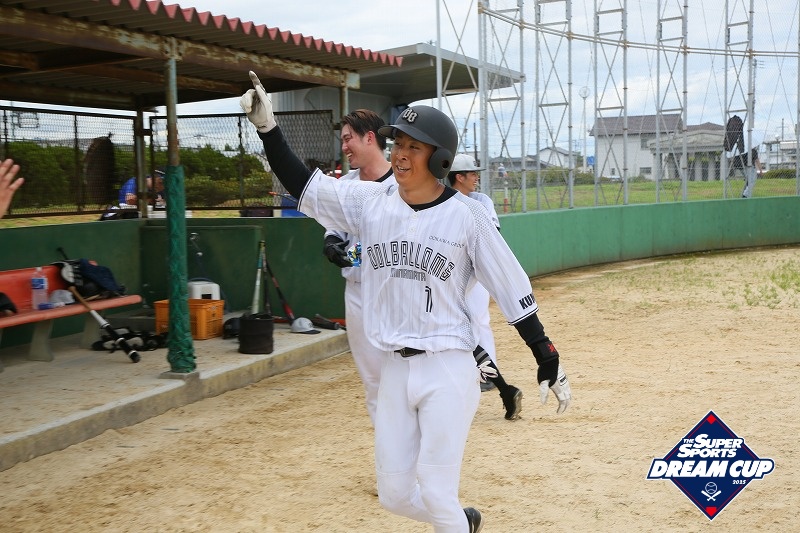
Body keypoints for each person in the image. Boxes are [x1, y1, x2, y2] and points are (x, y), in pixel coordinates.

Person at [241, 71, 571, 533]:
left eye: (414, 147)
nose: (400, 154)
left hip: (447, 366)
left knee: (435, 490)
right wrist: (269, 130)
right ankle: (462, 523)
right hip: (394, 367)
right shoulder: (371, 202)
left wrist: (546, 355)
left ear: (439, 158)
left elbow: (511, 287)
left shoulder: (467, 216)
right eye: (397, 143)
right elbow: (307, 186)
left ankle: (451, 519)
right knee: (395, 494)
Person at [321, 109, 396, 425]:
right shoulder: (346, 184)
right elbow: (335, 226)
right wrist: (331, 241)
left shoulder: (402, 181)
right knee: (374, 381)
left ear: (370, 138)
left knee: (407, 378)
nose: (344, 147)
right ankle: (389, 451)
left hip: (397, 291)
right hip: (359, 292)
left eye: (348, 138)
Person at [446, 153, 523, 420]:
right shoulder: (443, 200)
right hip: (450, 274)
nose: (476, 177)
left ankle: (491, 377)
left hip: (476, 273)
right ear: (459, 177)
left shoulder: (481, 201)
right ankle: (480, 378)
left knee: (478, 322)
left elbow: (492, 237)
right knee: (459, 326)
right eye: (472, 173)